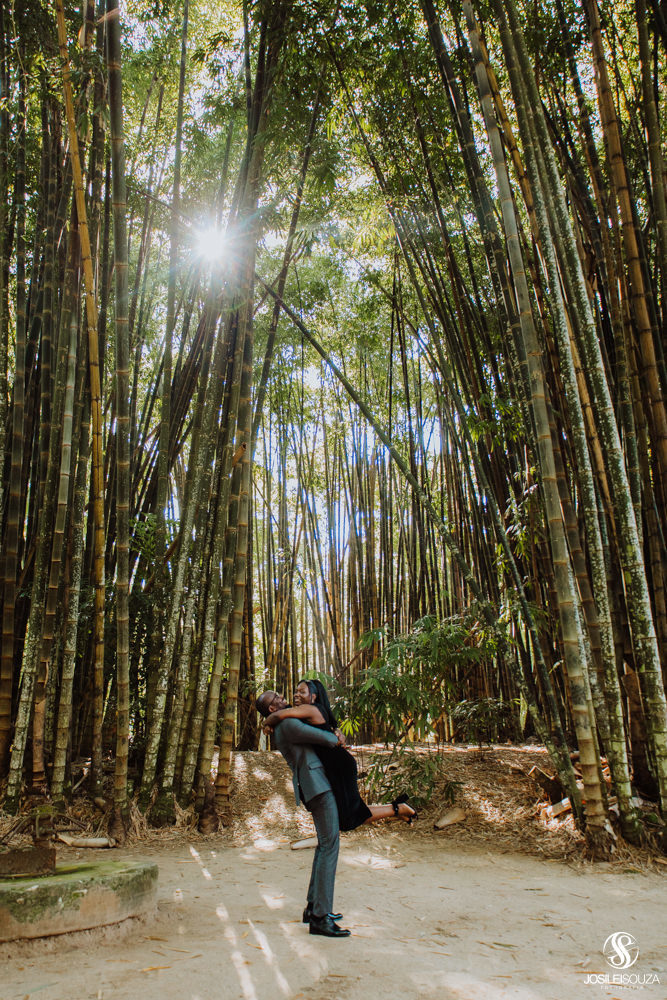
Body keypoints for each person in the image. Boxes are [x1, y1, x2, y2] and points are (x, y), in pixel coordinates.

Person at [256, 689, 350, 938]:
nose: (280, 697)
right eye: (274, 699)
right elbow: (321, 737)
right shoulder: (287, 726)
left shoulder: (283, 721)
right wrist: (335, 737)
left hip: (315, 784)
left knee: (324, 845)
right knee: (330, 846)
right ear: (272, 710)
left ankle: (313, 909)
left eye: (276, 694)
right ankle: (320, 918)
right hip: (316, 786)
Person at [264, 679, 417, 830]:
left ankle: (398, 809)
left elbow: (279, 715)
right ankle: (397, 810)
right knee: (350, 815)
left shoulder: (310, 709)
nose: (296, 695)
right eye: (296, 691)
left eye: (302, 692)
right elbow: (286, 716)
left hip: (340, 765)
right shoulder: (303, 712)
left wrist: (266, 723)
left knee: (349, 818)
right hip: (335, 766)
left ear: (314, 696)